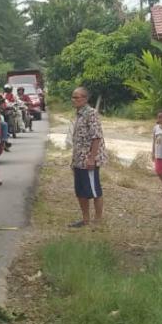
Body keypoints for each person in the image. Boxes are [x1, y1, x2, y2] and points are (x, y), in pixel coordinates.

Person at [68, 86, 105, 228]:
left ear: (85, 99)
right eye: (73, 97)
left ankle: (98, 219)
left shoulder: (91, 113)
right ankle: (85, 219)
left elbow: (96, 137)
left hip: (88, 159)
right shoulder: (78, 114)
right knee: (80, 190)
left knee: (94, 190)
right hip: (78, 158)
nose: (74, 100)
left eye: (77, 97)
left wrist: (92, 158)